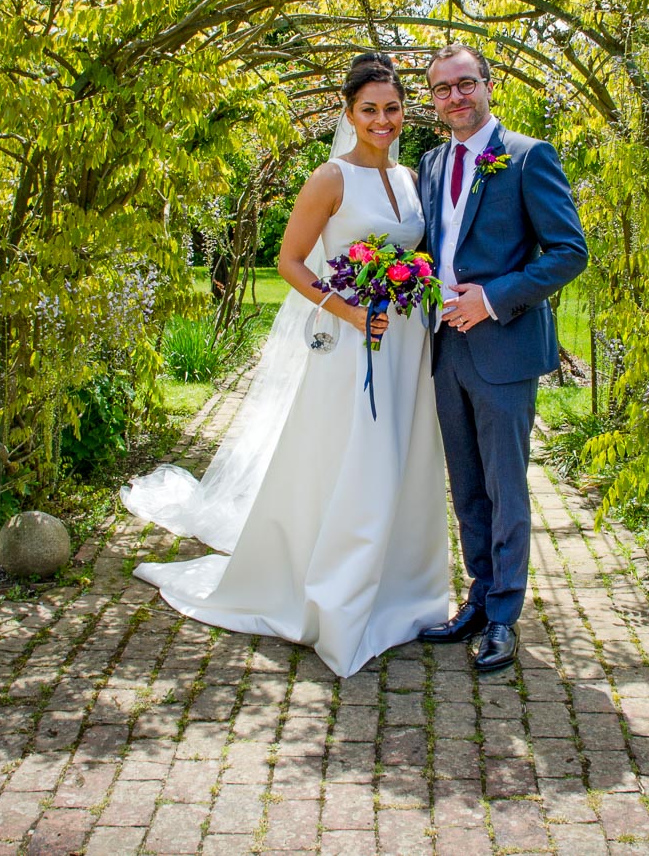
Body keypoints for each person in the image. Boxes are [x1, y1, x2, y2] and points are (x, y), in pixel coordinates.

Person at [120, 54, 450, 678]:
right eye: (369, 109)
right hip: (354, 342)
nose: (383, 120)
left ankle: (401, 592)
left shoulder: (410, 179)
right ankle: (338, 601)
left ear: (405, 111)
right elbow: (290, 261)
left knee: (404, 462)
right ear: (349, 114)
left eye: (393, 108)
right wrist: (349, 311)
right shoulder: (331, 177)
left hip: (407, 344)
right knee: (356, 460)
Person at [415, 43, 587, 673]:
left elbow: (568, 251)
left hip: (503, 348)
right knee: (466, 488)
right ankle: (479, 599)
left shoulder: (528, 156)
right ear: (432, 101)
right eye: (442, 89)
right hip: (445, 347)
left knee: (505, 486)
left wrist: (492, 298)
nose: (455, 97)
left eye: (466, 84)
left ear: (487, 87)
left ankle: (506, 617)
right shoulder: (431, 164)